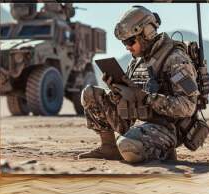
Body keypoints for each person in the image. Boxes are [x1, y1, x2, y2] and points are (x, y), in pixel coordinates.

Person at [78, 6, 199, 163]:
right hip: (139, 121)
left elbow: (188, 106)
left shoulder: (175, 59)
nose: (127, 47)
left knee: (128, 147)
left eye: (130, 41)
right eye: (124, 43)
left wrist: (146, 98)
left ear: (147, 33)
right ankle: (109, 147)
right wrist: (117, 92)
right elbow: (130, 96)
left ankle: (165, 151)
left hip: (166, 128)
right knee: (90, 93)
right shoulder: (137, 60)